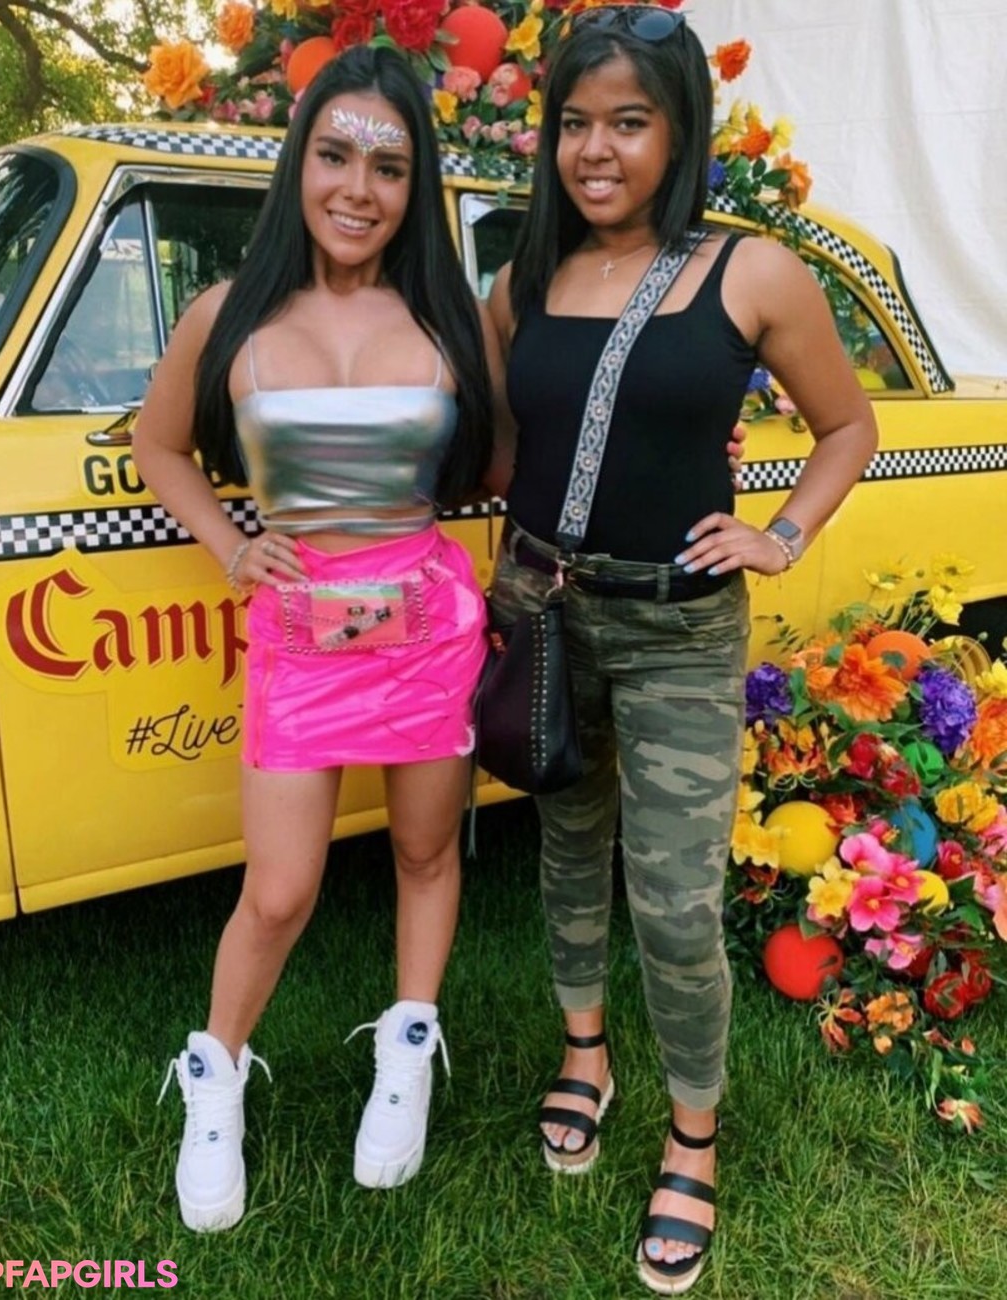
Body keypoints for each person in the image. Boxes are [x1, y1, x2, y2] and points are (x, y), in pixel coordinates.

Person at [485, 6, 878, 1294]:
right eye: (574, 124)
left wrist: (782, 535)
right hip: (547, 611)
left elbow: (846, 426)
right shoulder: (521, 282)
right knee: (566, 847)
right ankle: (585, 1053)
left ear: (679, 134)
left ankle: (693, 1135)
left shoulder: (750, 273)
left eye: (628, 123)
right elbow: (503, 448)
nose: (595, 150)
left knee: (671, 898)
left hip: (678, 629)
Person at [133, 44, 502, 1231]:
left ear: (414, 183)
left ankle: (408, 1047)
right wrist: (229, 544)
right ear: (300, 163)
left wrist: (689, 442)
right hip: (299, 637)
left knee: (425, 852)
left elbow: (507, 457)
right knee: (282, 887)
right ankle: (216, 1078)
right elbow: (157, 445)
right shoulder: (227, 316)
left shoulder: (449, 318)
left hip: (427, 632)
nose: (359, 187)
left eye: (388, 166)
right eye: (336, 154)